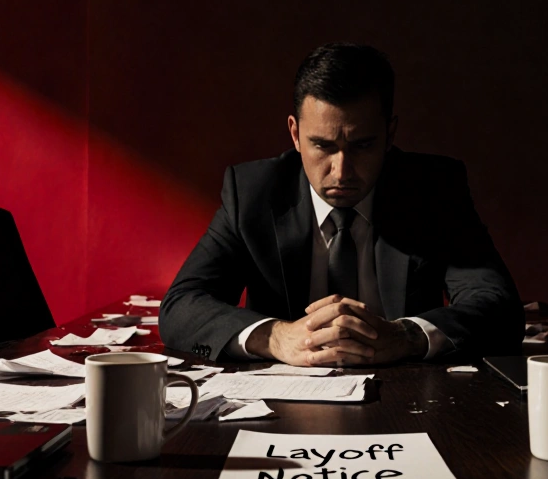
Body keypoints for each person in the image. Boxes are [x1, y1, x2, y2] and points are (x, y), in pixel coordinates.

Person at [159, 43, 522, 366]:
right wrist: (275, 337)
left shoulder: (433, 189)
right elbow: (180, 309)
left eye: (362, 146)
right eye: (323, 146)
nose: (341, 171)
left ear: (390, 136)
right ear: (295, 134)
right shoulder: (253, 193)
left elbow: (500, 310)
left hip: (409, 397)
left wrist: (406, 337)